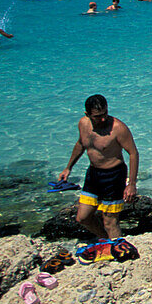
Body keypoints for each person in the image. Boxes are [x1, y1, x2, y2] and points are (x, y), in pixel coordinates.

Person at [56, 95, 139, 240]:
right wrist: (68, 168)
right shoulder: (83, 124)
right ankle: (107, 241)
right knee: (83, 218)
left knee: (110, 222)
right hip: (93, 174)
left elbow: (133, 153)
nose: (103, 119)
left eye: (105, 114)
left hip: (114, 176)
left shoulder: (118, 128)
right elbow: (80, 144)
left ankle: (119, 252)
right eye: (97, 116)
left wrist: (131, 184)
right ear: (87, 115)